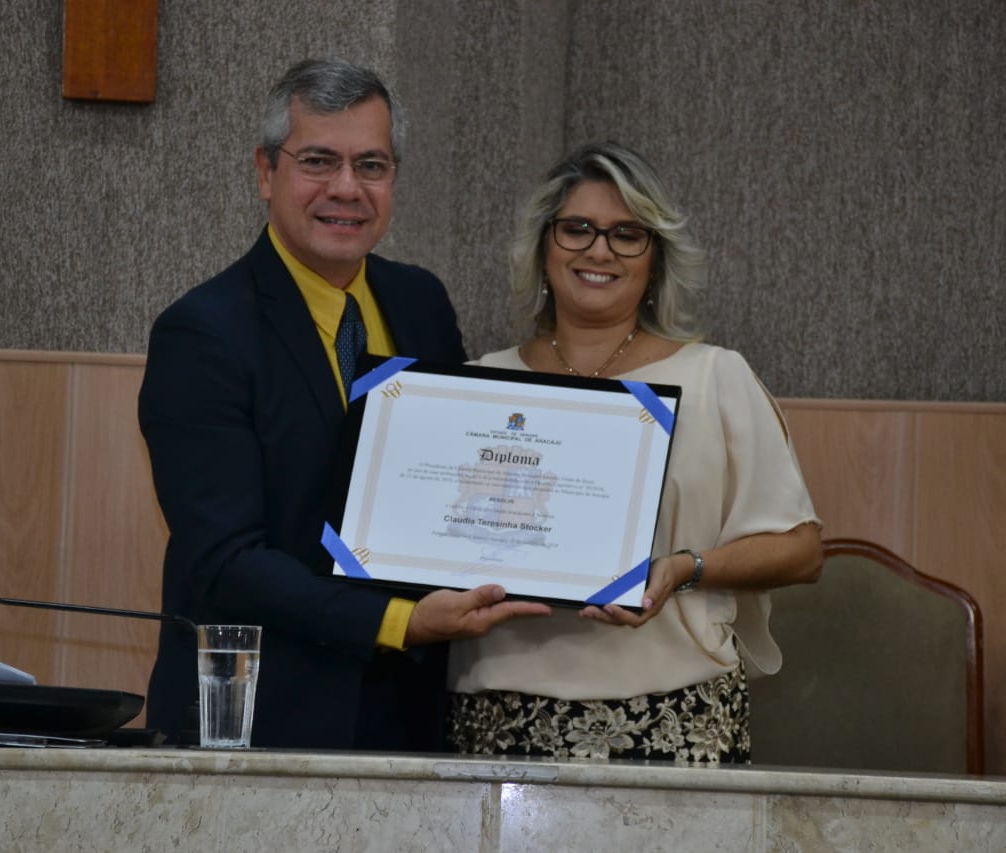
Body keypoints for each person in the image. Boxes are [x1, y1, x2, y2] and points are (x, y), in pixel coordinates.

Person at [139, 58, 549, 750]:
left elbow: (451, 489)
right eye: (319, 161)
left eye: (372, 165)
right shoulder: (204, 332)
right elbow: (226, 560)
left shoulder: (421, 303)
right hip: (260, 723)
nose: (346, 189)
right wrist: (400, 621)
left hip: (408, 718)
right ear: (266, 172)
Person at [446, 142, 823, 764]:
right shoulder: (481, 383)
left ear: (656, 261)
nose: (599, 250)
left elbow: (803, 550)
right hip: (499, 717)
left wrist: (684, 568)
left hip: (675, 716)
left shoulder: (715, 378)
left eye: (627, 235)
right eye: (577, 230)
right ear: (544, 247)